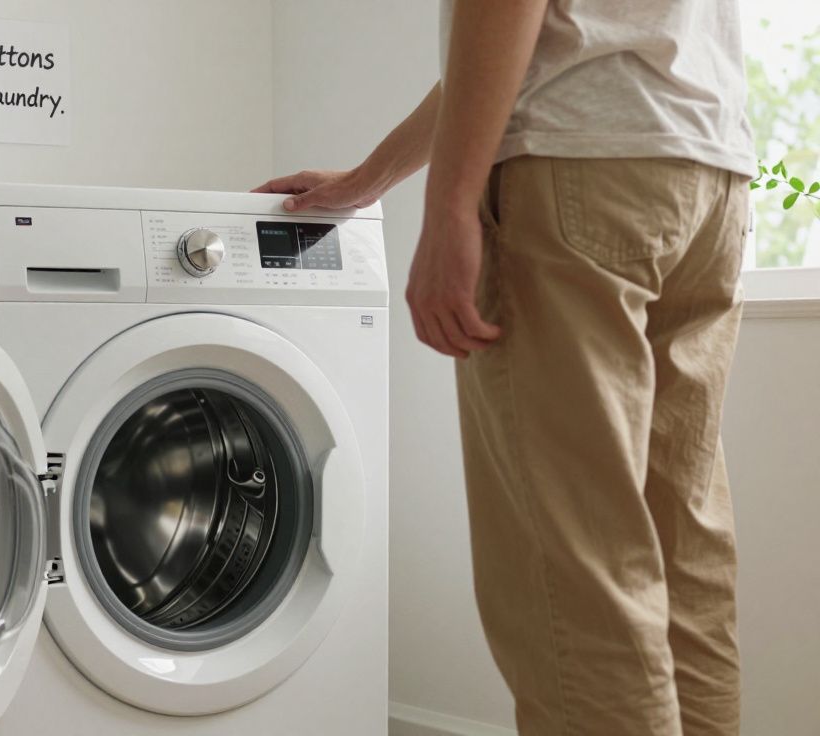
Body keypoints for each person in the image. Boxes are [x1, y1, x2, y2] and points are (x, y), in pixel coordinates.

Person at [255, 1, 754, 734]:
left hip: (578, 172)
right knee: (686, 560)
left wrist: (451, 206)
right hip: (708, 175)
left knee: (578, 572)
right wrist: (370, 178)